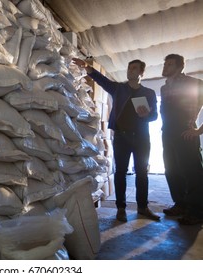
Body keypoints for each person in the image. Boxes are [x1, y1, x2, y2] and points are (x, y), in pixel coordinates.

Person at [72, 58, 160, 222]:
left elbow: (155, 115)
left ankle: (143, 207)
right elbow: (102, 81)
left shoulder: (149, 93)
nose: (130, 71)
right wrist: (88, 68)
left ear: (142, 72)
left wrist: (146, 115)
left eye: (134, 68)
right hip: (121, 136)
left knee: (142, 173)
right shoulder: (118, 88)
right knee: (120, 172)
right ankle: (121, 209)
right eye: (129, 68)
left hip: (142, 136)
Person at [160, 54, 203, 225]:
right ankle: (181, 204)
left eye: (170, 64)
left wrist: (199, 130)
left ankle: (197, 212)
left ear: (180, 67)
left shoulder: (195, 84)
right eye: (165, 63)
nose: (165, 67)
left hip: (186, 134)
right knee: (171, 170)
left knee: (192, 173)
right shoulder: (164, 88)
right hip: (167, 133)